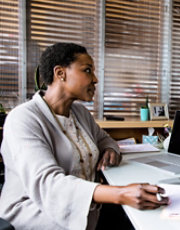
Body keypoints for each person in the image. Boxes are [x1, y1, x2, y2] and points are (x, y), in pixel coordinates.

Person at [0, 43, 169, 230]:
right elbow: (48, 184)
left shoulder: (79, 112)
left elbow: (104, 138)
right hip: (36, 213)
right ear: (60, 73)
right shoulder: (23, 118)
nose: (95, 79)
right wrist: (120, 193)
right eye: (87, 70)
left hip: (86, 209)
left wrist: (109, 149)